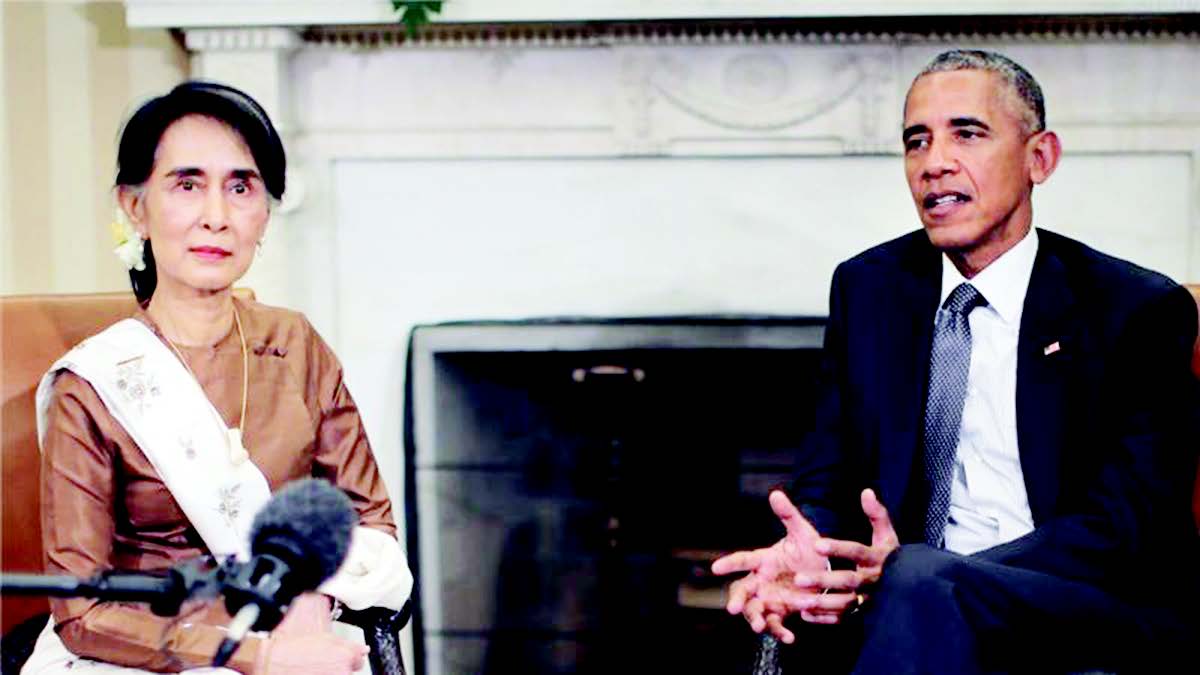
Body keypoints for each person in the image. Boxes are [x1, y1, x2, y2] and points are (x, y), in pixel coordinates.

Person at [712, 49, 1200, 674]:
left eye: (966, 134)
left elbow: (1126, 528)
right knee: (787, 617)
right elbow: (828, 475)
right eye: (917, 141)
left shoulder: (1132, 308)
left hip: (1082, 602)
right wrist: (811, 552)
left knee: (917, 581)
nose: (934, 163)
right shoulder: (870, 289)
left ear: (1039, 158)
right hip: (906, 599)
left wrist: (933, 575)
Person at [23, 82, 413, 675]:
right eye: (187, 184)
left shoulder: (297, 346)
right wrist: (252, 656)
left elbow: (372, 527)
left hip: (297, 632)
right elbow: (83, 612)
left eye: (240, 187)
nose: (216, 216)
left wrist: (314, 600)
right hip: (139, 657)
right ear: (135, 208)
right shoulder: (94, 385)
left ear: (264, 213)